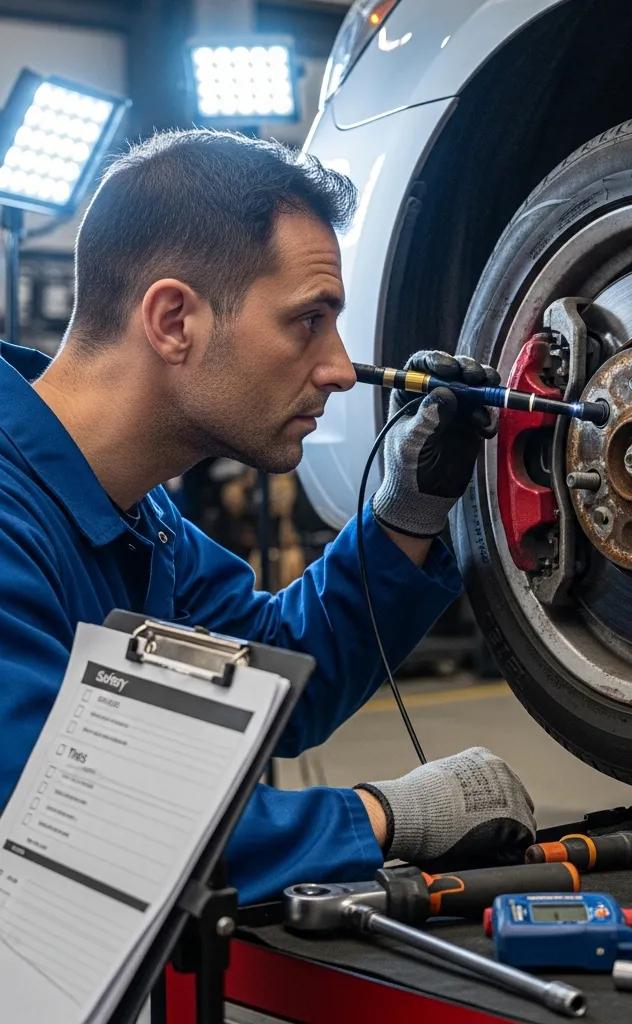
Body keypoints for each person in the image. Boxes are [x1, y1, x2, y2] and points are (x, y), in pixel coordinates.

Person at [0, 129, 536, 903]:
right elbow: (56, 821)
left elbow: (273, 680)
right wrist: (383, 816)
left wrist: (407, 515)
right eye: (307, 319)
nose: (339, 369)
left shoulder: (141, 524)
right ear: (175, 321)